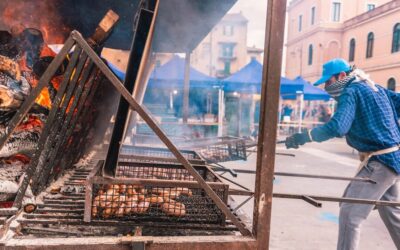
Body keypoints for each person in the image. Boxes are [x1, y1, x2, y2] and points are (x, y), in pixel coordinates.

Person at [285, 58, 400, 250]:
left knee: (350, 215)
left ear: (342, 76)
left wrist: (304, 137)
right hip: (394, 159)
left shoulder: (351, 91)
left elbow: (339, 126)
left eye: (328, 82)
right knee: (392, 213)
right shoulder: (375, 87)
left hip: (380, 161)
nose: (327, 87)